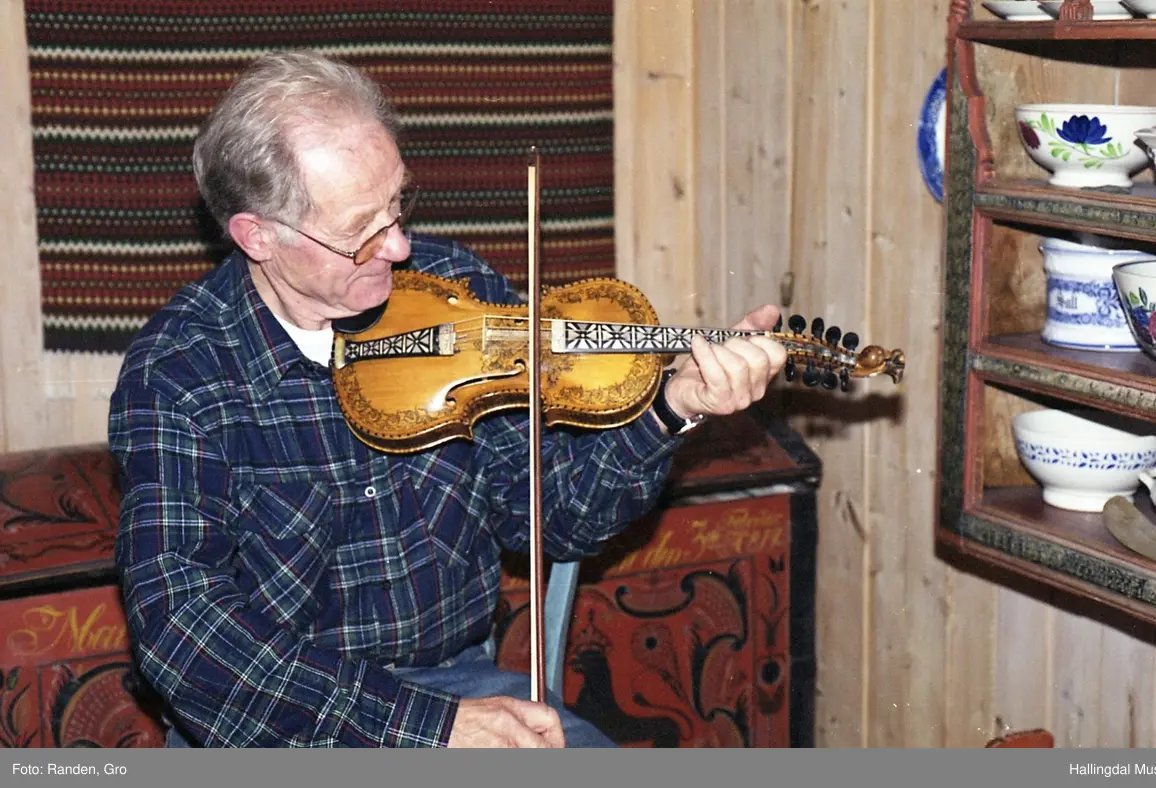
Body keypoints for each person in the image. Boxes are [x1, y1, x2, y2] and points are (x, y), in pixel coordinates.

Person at [108, 49, 787, 749]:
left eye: (398, 203)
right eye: (361, 231)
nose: (400, 247)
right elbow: (184, 629)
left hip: (455, 679)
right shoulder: (180, 371)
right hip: (278, 719)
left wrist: (673, 406)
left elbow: (555, 516)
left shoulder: (454, 292)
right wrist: (427, 729)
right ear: (258, 237)